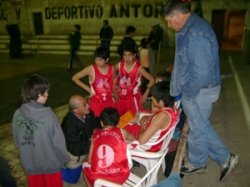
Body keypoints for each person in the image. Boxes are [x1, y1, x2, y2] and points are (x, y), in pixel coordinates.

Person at [164, 0, 239, 181]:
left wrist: (188, 93)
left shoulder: (195, 33)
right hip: (199, 89)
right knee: (200, 126)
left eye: (168, 20)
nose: (168, 25)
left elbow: (201, 71)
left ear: (178, 16)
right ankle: (221, 158)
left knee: (197, 128)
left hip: (199, 90)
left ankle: (201, 162)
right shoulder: (192, 28)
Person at [12, 74, 70, 187]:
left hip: (30, 164)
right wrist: (64, 159)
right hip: (51, 166)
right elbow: (59, 143)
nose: (48, 94)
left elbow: (17, 139)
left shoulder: (17, 114)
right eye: (46, 91)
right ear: (39, 94)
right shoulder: (49, 115)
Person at [82, 107, 135, 187]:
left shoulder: (95, 135)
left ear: (101, 123)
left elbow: (90, 160)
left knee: (84, 165)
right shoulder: (122, 132)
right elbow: (134, 139)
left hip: (100, 178)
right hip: (121, 176)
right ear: (117, 122)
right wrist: (124, 142)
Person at [125, 81, 179, 152]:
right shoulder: (172, 108)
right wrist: (145, 119)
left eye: (154, 97)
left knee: (119, 134)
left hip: (147, 146)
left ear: (161, 102)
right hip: (152, 139)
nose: (151, 98)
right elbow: (153, 117)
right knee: (128, 120)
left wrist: (142, 127)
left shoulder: (162, 116)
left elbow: (141, 140)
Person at [72, 47, 116, 117]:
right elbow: (75, 78)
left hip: (109, 101)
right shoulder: (91, 69)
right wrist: (88, 89)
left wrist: (113, 89)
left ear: (107, 60)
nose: (97, 62)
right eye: (96, 59)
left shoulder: (112, 69)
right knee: (97, 125)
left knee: (111, 123)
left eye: (100, 60)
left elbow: (114, 78)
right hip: (96, 103)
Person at [61, 94, 100, 168]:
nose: (88, 105)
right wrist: (93, 142)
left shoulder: (88, 113)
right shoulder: (69, 126)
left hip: (88, 145)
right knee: (73, 179)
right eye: (84, 105)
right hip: (76, 156)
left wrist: (105, 121)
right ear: (76, 110)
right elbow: (75, 149)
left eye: (87, 103)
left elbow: (94, 123)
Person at [114, 44, 155, 115]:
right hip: (121, 99)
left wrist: (146, 92)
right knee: (120, 120)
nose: (127, 58)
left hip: (133, 99)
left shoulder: (139, 68)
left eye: (129, 55)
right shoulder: (119, 65)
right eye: (125, 55)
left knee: (134, 120)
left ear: (134, 55)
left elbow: (152, 80)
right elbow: (112, 72)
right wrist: (115, 85)